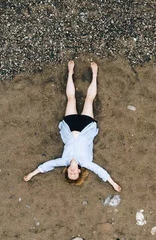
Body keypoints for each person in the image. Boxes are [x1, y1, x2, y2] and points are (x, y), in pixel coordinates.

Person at [24, 61, 122, 192]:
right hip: (86, 128)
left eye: (70, 174)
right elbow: (100, 171)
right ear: (79, 171)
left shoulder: (64, 161)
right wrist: (113, 184)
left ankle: (70, 72)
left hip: (69, 127)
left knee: (71, 98)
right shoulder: (86, 163)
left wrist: (31, 174)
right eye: (75, 174)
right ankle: (94, 74)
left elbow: (47, 165)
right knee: (89, 100)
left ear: (67, 171)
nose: (73, 172)